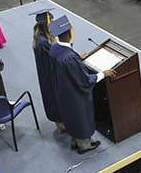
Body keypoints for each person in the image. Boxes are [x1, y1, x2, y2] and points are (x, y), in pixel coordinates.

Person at [48, 15, 115, 153]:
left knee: (70, 116)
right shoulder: (70, 58)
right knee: (80, 116)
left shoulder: (54, 49)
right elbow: (84, 80)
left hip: (62, 91)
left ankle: (75, 140)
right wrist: (104, 73)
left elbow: (66, 62)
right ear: (70, 32)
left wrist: (78, 57)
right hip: (74, 94)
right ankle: (84, 145)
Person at [30, 8, 65, 134]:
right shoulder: (42, 43)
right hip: (50, 74)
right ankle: (61, 124)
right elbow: (55, 58)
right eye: (51, 20)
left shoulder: (40, 37)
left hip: (47, 73)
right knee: (55, 98)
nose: (54, 22)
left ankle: (60, 123)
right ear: (46, 24)